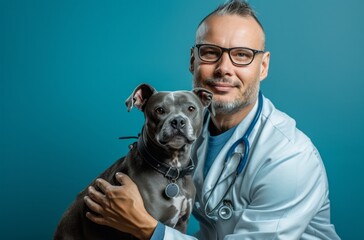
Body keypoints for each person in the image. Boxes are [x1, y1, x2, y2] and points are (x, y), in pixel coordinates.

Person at [83, 0, 340, 239]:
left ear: (263, 66)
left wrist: (147, 228)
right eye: (210, 52)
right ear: (193, 61)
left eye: (242, 55)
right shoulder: (189, 129)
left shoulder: (290, 159)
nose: (224, 68)